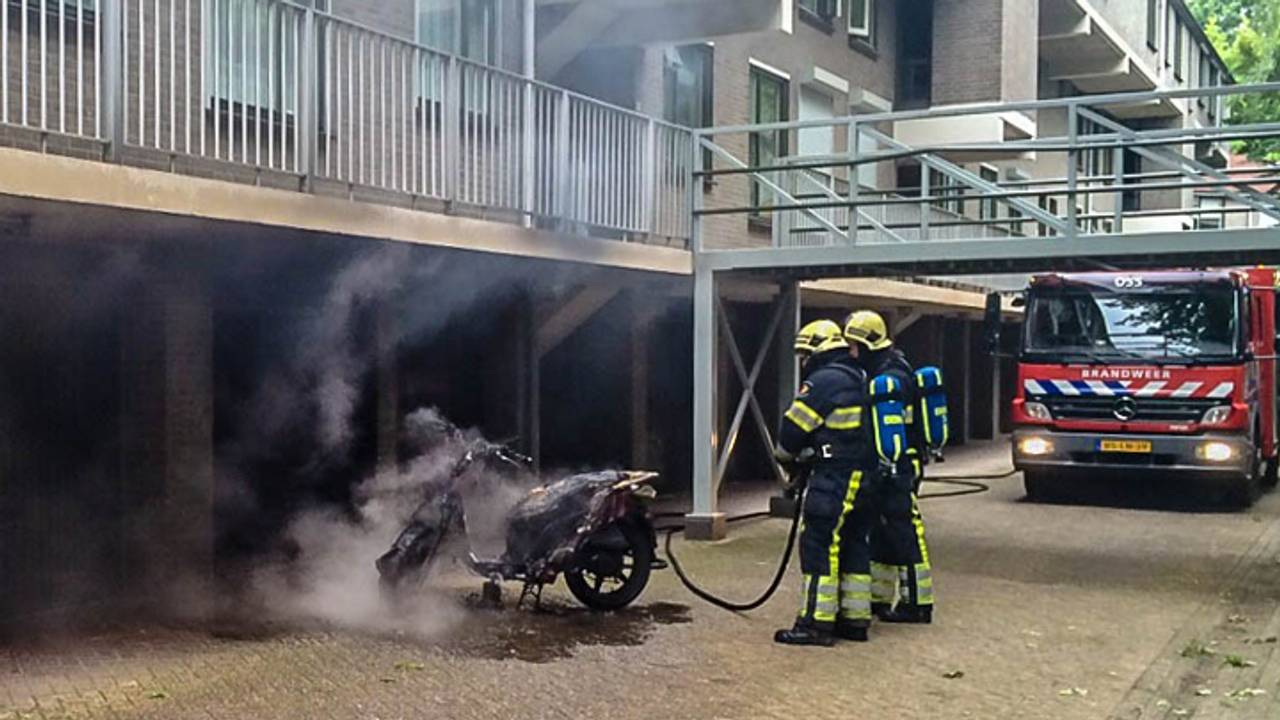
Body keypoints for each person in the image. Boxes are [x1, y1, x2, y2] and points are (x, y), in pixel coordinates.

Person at [773, 319, 880, 646]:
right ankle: (854, 619)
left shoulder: (824, 381)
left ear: (819, 351)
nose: (804, 363)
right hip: (865, 476)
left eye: (806, 355)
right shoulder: (859, 376)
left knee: (819, 543)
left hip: (835, 477)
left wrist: (788, 459)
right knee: (854, 542)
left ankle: (815, 624)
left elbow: (791, 432)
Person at [844, 310, 935, 624]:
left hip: (897, 466)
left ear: (868, 344)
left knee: (903, 531)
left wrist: (888, 466)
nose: (851, 353)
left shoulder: (889, 377)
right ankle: (880, 598)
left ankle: (917, 603)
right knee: (880, 530)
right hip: (889, 463)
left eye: (854, 346)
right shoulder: (890, 368)